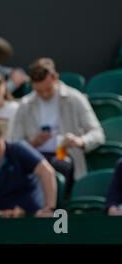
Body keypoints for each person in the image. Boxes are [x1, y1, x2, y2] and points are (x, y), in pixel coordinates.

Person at [10, 58, 105, 191]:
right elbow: (15, 143)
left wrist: (80, 141)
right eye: (39, 91)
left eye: (48, 89)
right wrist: (33, 143)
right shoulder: (25, 105)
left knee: (61, 165)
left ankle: (56, 208)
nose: (44, 94)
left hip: (65, 157)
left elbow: (98, 133)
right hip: (36, 156)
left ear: (56, 78)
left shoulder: (75, 98)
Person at [0, 121, 57, 218]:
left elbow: (47, 172)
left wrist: (49, 209)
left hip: (34, 215)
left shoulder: (19, 149)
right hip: (2, 224)